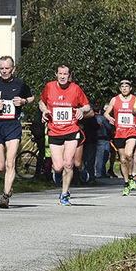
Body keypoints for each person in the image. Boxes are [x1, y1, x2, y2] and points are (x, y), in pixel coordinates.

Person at [0, 56, 34, 209]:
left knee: (10, 163)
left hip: (13, 125)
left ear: (13, 69)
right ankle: (8, 186)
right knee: (0, 166)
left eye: (7, 68)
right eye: (2, 68)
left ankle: (5, 196)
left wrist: (23, 102)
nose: (4, 71)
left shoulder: (20, 84)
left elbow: (31, 97)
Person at [37, 63, 92, 206]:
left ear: (69, 76)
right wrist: (44, 111)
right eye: (60, 73)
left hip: (71, 130)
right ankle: (57, 173)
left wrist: (82, 110)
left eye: (65, 74)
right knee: (58, 167)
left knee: (68, 163)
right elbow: (41, 102)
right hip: (54, 131)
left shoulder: (75, 89)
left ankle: (64, 194)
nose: (62, 76)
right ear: (56, 74)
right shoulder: (49, 87)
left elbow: (87, 105)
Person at [103, 80, 136, 196]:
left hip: (131, 131)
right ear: (120, 89)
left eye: (127, 86)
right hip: (119, 132)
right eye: (122, 87)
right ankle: (126, 182)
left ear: (130, 88)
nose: (124, 88)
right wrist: (109, 118)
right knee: (123, 159)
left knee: (129, 154)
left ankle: (131, 176)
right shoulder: (115, 99)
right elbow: (106, 113)